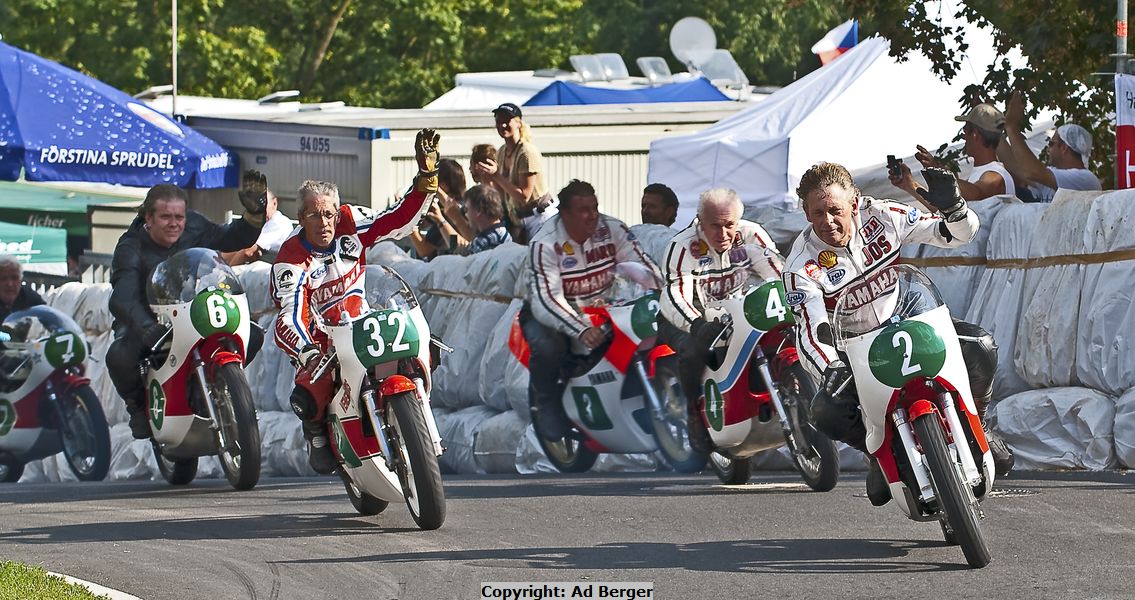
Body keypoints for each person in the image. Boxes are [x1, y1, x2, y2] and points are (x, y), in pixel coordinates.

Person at [783, 162, 1014, 506]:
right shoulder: (800, 265)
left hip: (907, 316)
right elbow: (810, 328)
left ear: (856, 203)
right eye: (818, 213)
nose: (828, 221)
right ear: (805, 213)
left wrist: (954, 208)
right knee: (825, 411)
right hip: (855, 347)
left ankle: (978, 423)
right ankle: (878, 451)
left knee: (981, 346)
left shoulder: (885, 215)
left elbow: (956, 235)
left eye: (835, 210)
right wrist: (829, 366)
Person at [272, 129, 440, 474]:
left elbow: (397, 220)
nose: (325, 223)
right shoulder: (291, 258)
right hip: (323, 337)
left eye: (329, 214)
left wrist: (425, 180)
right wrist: (306, 351)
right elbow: (288, 316)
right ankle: (317, 432)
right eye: (315, 215)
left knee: (427, 349)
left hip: (362, 320)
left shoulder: (351, 223)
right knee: (310, 389)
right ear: (301, 218)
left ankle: (416, 417)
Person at [106, 171, 273, 439]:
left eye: (179, 217)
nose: (174, 224)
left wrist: (254, 215)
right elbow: (122, 297)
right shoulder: (130, 246)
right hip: (146, 318)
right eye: (165, 217)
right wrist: (146, 326)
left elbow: (230, 237)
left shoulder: (194, 225)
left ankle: (219, 381)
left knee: (252, 334)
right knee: (120, 355)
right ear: (148, 218)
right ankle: (137, 406)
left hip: (189, 309)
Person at [522, 179, 662, 440]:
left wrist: (663, 293)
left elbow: (641, 263)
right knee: (549, 347)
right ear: (565, 214)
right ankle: (545, 403)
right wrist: (580, 328)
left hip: (602, 305)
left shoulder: (613, 228)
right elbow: (547, 298)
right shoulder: (544, 243)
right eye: (583, 210)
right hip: (551, 309)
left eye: (594, 207)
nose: (592, 215)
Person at [658, 188, 784, 453]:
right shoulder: (682, 246)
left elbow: (778, 275)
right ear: (700, 221)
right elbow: (675, 294)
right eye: (715, 226)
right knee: (694, 351)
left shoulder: (752, 235)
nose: (723, 234)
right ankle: (694, 415)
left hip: (737, 312)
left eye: (729, 225)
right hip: (687, 315)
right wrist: (696, 324)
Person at [890, 103, 1015, 205]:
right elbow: (945, 211)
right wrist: (909, 184)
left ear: (975, 134)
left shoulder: (996, 175)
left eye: (965, 130)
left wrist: (941, 172)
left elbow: (977, 194)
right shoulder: (982, 175)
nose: (963, 135)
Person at [473, 103, 553, 244]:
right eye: (499, 121)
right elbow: (503, 194)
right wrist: (488, 179)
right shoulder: (502, 152)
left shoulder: (527, 152)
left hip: (539, 217)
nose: (502, 125)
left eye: (507, 121)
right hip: (520, 219)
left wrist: (496, 175)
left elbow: (524, 196)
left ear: (518, 123)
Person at [999, 91, 1100, 202]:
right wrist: (993, 125)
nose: (1048, 148)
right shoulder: (1051, 177)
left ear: (1064, 148)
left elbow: (1031, 171)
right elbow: (1016, 167)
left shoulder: (1085, 179)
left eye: (1052, 143)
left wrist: (1012, 126)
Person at [409, 158, 471, 259]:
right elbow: (425, 225)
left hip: (447, 270)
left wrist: (408, 222)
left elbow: (424, 249)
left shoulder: (446, 214)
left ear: (443, 186)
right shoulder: (465, 207)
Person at [221, 185, 294, 266]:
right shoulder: (262, 221)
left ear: (274, 203)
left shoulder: (279, 223)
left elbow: (247, 252)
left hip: (274, 270)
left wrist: (227, 273)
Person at [463, 184, 512, 254]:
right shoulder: (499, 233)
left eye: (466, 209)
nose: (466, 214)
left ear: (479, 210)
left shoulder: (490, 242)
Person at [0, 255, 45, 323]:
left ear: (21, 279)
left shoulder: (29, 296)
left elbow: (47, 315)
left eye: (14, 278)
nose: (10, 284)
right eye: (4, 278)